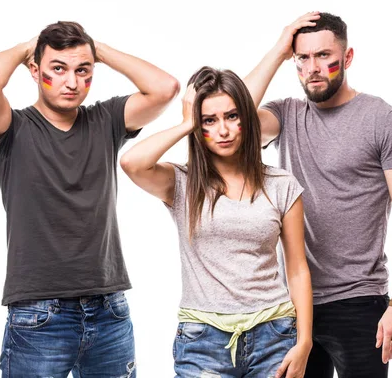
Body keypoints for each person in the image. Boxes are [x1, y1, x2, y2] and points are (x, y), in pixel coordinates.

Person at [0, 21, 179, 377]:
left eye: (83, 70)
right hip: (39, 314)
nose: (71, 82)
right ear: (35, 70)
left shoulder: (106, 120)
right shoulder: (11, 129)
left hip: (109, 308)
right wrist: (27, 47)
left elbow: (165, 88)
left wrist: (97, 50)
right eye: (57, 69)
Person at [243, 12, 392, 378]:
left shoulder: (384, 121)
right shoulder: (286, 114)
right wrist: (278, 49)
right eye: (302, 58)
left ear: (347, 58)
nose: (312, 67)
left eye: (323, 55)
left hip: (359, 302)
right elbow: (231, 115)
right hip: (294, 305)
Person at [120, 66, 313, 378]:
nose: (222, 130)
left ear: (246, 119)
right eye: (209, 120)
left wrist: (304, 341)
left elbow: (298, 268)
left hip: (274, 335)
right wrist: (186, 123)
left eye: (232, 116)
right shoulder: (182, 182)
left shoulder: (281, 184)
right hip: (202, 340)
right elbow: (131, 163)